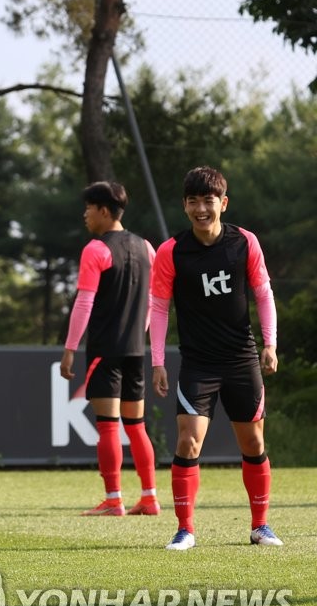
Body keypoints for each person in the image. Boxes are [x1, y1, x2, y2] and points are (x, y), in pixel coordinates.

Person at [150, 166, 281, 550]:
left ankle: (260, 526)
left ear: (223, 203)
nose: (201, 209)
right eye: (193, 201)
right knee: (188, 442)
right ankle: (185, 529)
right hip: (198, 364)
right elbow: (158, 308)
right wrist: (157, 360)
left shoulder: (244, 243)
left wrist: (269, 344)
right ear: (184, 206)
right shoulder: (171, 251)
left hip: (242, 360)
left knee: (253, 443)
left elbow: (263, 293)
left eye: (208, 201)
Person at [59, 181, 159, 517]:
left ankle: (113, 499)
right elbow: (152, 303)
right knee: (137, 426)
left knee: (107, 425)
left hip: (104, 349)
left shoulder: (95, 249)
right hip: (135, 350)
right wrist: (140, 335)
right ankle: (149, 497)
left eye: (88, 208)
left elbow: (84, 302)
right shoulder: (147, 247)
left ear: (104, 210)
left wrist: (70, 348)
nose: (84, 214)